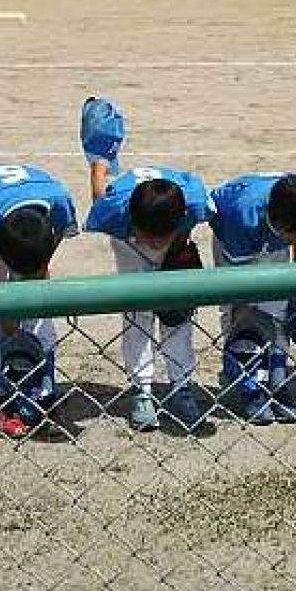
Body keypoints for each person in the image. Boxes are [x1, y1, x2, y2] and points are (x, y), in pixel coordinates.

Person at [81, 98, 214, 434]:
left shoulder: (195, 203)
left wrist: (176, 248)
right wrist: (99, 163)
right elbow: (100, 197)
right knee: (137, 314)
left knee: (178, 315)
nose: (154, 242)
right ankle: (141, 390)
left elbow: (199, 215)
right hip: (129, 247)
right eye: (149, 236)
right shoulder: (113, 212)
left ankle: (181, 386)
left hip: (174, 237)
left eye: (159, 237)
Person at [0, 164, 79, 438]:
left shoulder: (59, 202)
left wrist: (39, 269)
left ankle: (44, 392)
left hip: (28, 229)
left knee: (39, 309)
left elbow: (56, 236)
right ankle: (1, 398)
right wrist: (7, 319)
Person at [209, 172, 296, 425]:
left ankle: (277, 382)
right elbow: (240, 290)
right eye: (293, 235)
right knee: (240, 315)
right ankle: (249, 384)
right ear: (280, 224)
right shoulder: (242, 215)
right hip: (233, 234)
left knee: (278, 308)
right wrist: (243, 322)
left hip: (275, 221)